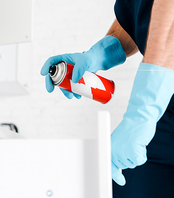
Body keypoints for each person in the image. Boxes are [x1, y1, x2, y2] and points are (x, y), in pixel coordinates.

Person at [40, 0, 174, 197]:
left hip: (155, 104)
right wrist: (98, 54)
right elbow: (137, 14)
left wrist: (142, 113)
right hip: (164, 113)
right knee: (125, 186)